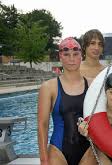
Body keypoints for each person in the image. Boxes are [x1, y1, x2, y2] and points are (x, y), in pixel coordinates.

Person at [37, 37, 93, 165]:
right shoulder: (49, 87)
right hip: (58, 151)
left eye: (75, 54)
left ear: (81, 56)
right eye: (66, 54)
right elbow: (42, 125)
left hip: (88, 150)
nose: (71, 59)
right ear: (60, 57)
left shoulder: (92, 84)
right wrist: (43, 160)